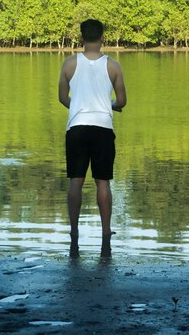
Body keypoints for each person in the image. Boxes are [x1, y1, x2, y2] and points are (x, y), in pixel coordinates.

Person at [58, 19, 127, 257]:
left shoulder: (68, 64)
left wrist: (78, 105)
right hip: (103, 129)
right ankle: (106, 232)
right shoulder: (113, 66)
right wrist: (109, 105)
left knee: (75, 181)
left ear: (81, 38)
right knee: (103, 182)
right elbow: (122, 101)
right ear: (102, 39)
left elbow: (62, 97)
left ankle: (74, 231)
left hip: (77, 127)